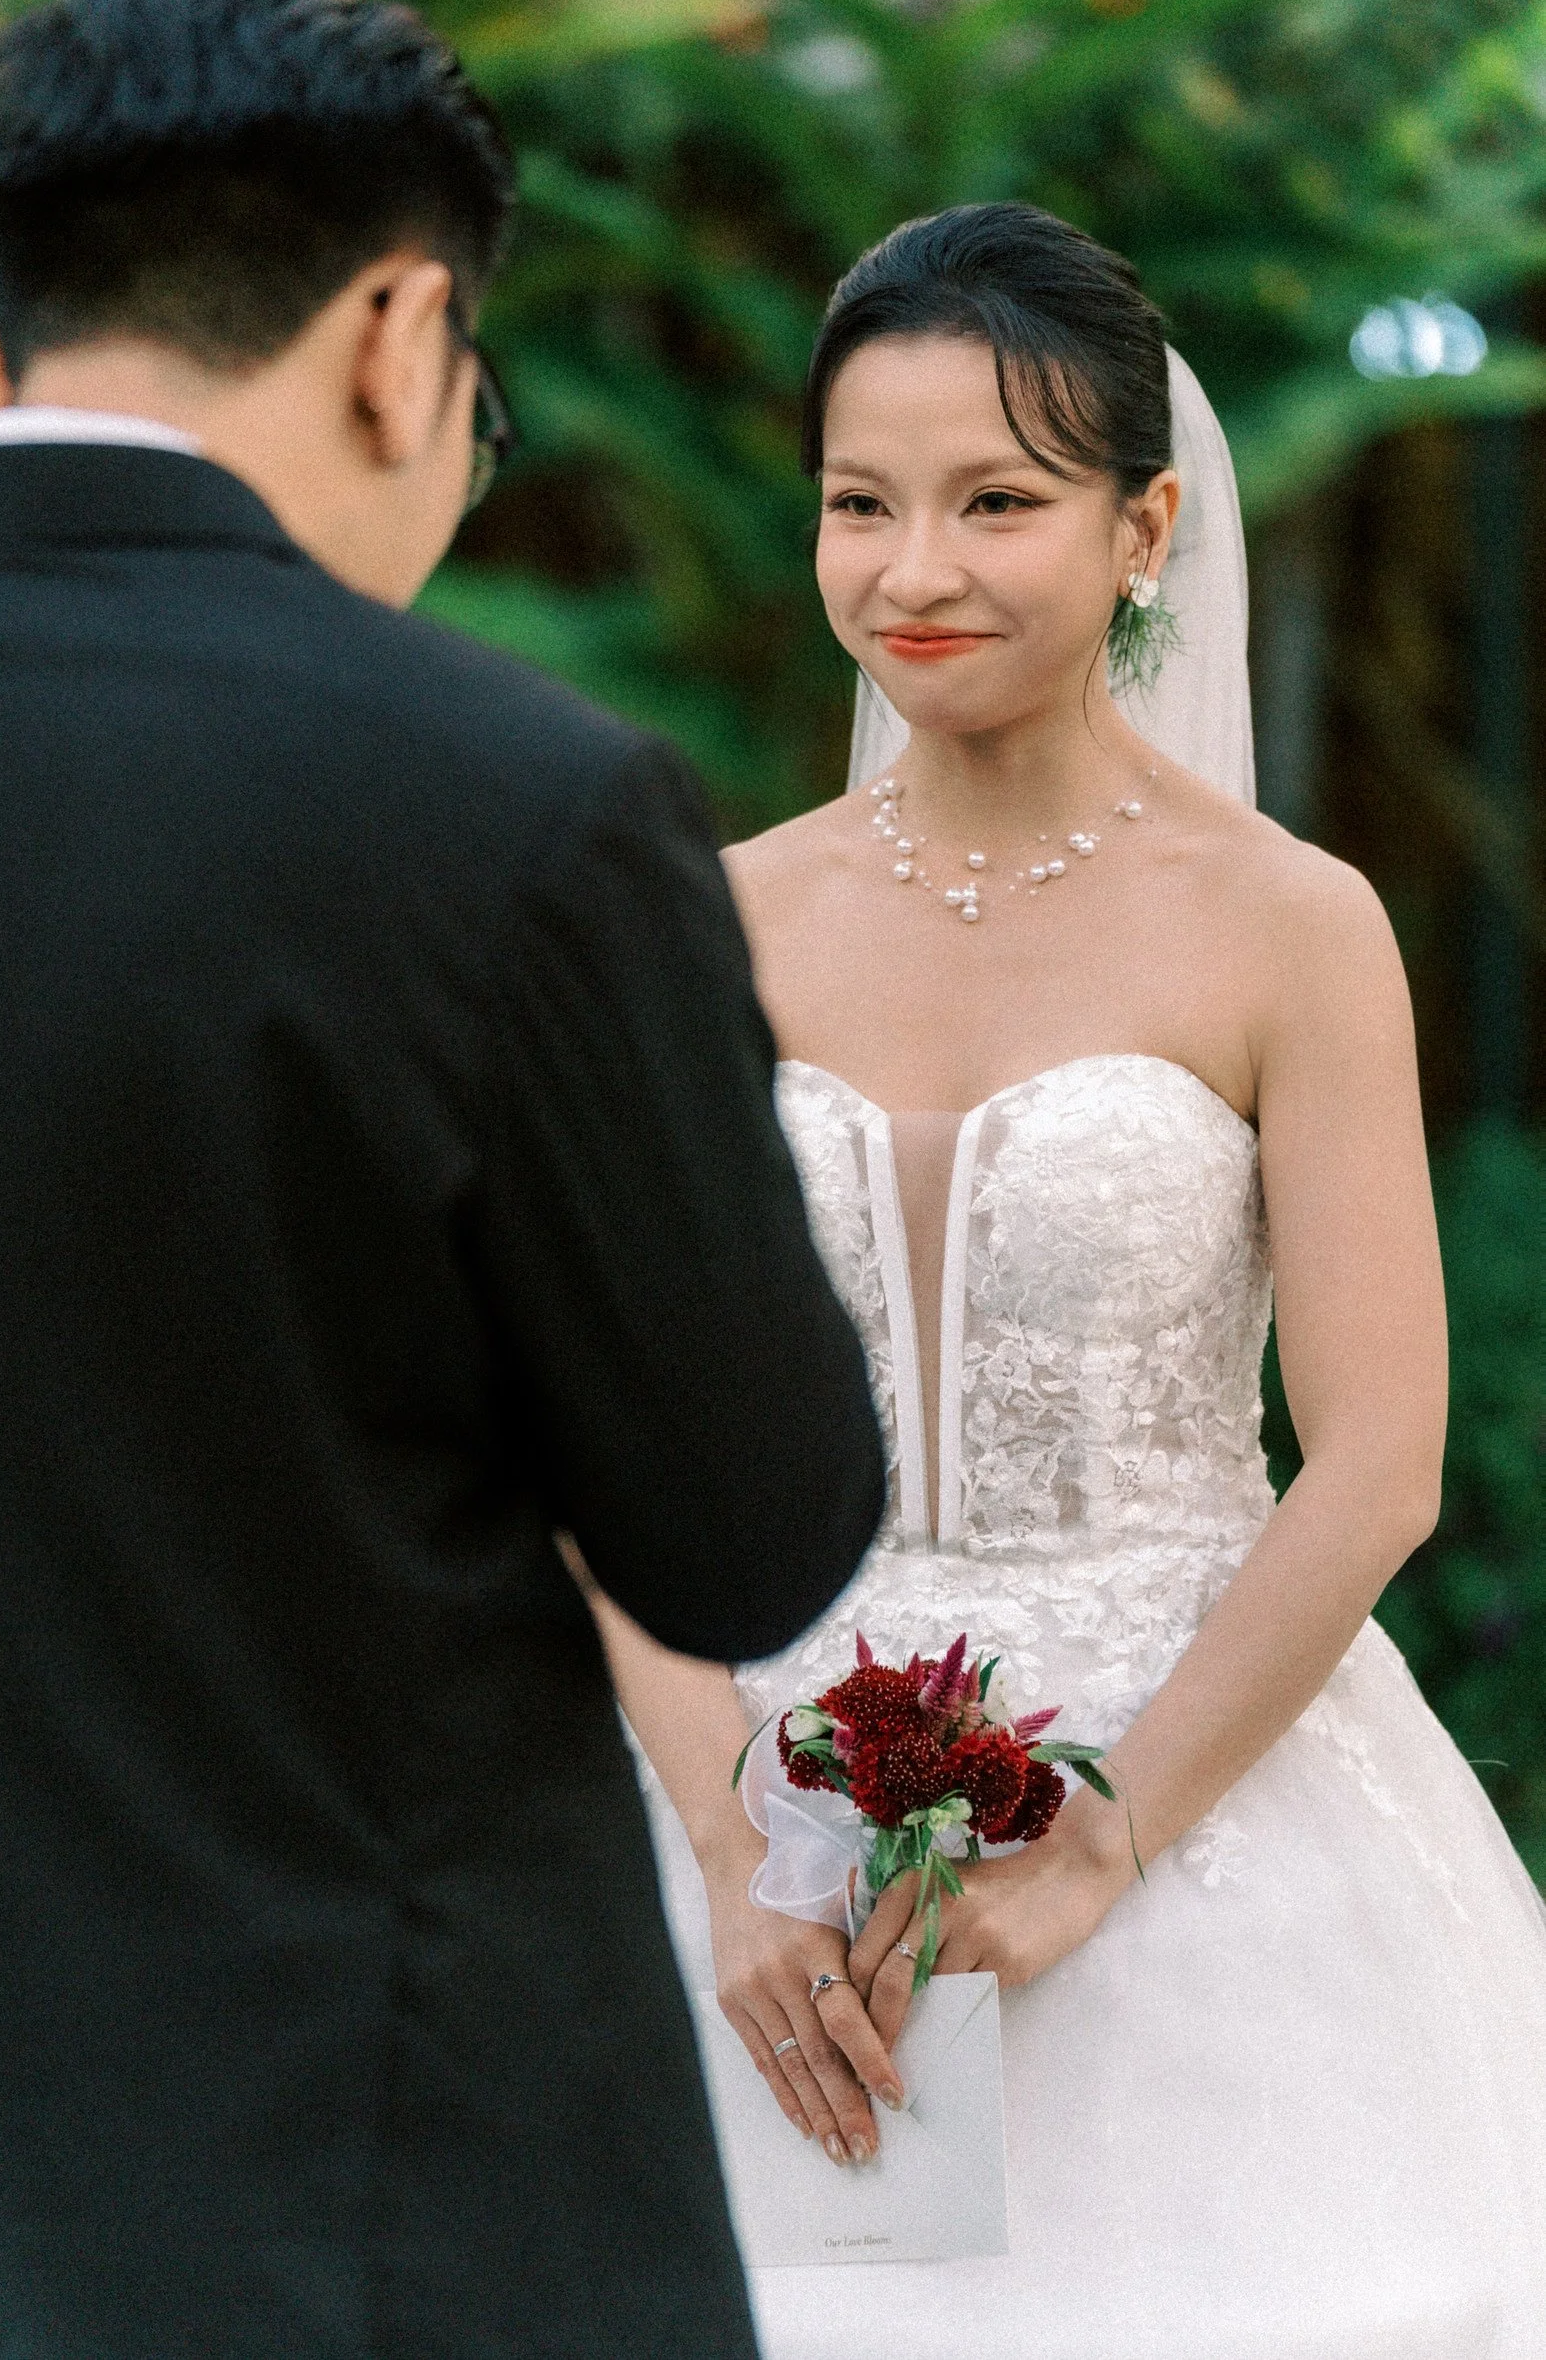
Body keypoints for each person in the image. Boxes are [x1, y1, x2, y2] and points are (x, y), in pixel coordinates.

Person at [0, 0, 887, 2360]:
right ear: (397, 333)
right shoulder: (511, 809)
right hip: (358, 2199)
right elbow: (743, 1521)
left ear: (0, 341)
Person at [606, 202, 1546, 2357]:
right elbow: (602, 1434)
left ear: (1143, 529)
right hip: (750, 1830)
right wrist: (732, 1852)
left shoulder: (1291, 925)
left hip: (1193, 1805)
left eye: (996, 502)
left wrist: (1107, 1838)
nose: (910, 570)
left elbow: (1376, 1458)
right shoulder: (705, 919)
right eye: (860, 501)